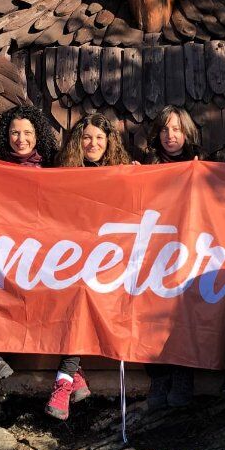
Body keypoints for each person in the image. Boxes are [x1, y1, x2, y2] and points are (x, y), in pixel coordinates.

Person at [42, 113, 132, 418]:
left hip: (108, 259)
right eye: (87, 137)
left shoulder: (121, 172)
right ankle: (74, 375)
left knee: (82, 293)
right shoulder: (64, 173)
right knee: (68, 293)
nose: (93, 144)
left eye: (99, 138)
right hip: (68, 256)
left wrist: (137, 179)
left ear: (109, 143)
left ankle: (63, 382)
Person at [0, 104, 60, 390]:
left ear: (37, 135)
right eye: (14, 133)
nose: (20, 139)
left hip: (45, 246)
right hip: (6, 246)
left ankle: (71, 369)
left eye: (27, 133)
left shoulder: (53, 167)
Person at [144, 106, 202, 410]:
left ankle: (183, 374)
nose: (171, 135)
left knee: (185, 310)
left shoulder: (202, 166)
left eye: (177, 129)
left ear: (187, 132)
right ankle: (159, 376)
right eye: (165, 129)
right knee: (151, 314)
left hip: (189, 251)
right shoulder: (146, 166)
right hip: (154, 253)